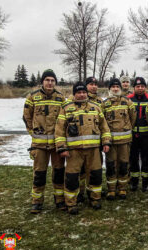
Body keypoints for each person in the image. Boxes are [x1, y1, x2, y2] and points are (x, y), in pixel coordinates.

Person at [55, 82, 111, 214]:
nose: (82, 95)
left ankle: (95, 199)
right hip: (74, 152)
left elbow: (104, 127)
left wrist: (106, 142)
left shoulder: (96, 108)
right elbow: (59, 130)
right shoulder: (66, 108)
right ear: (74, 94)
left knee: (95, 175)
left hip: (93, 150)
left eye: (83, 92)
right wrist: (62, 148)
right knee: (72, 177)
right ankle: (71, 203)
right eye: (78, 92)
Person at [23, 69, 66, 214]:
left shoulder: (61, 98)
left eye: (52, 80)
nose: (50, 83)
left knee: (59, 172)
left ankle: (59, 200)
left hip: (56, 144)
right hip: (39, 144)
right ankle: (37, 202)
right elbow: (26, 117)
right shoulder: (32, 97)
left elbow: (65, 118)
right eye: (47, 80)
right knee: (39, 174)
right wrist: (32, 132)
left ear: (55, 83)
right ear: (42, 81)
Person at [103, 78, 136, 200]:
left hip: (125, 141)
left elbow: (133, 118)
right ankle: (111, 189)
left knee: (123, 164)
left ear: (120, 89)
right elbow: (102, 123)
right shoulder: (104, 104)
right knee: (111, 165)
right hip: (110, 142)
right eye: (113, 87)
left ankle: (122, 188)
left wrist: (127, 129)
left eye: (117, 87)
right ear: (109, 89)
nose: (115, 89)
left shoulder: (128, 102)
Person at [78, 76, 104, 203]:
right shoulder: (74, 99)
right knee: (81, 170)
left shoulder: (100, 101)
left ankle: (92, 192)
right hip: (79, 143)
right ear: (85, 86)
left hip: (95, 142)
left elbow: (103, 122)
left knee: (94, 169)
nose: (94, 86)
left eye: (95, 84)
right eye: (90, 84)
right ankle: (79, 192)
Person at [127, 77, 148, 192]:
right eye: (137, 86)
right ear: (134, 88)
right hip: (132, 135)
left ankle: (145, 183)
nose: (140, 88)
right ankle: (134, 182)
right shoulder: (128, 99)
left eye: (142, 86)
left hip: (146, 136)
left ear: (145, 87)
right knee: (133, 159)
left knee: (146, 160)